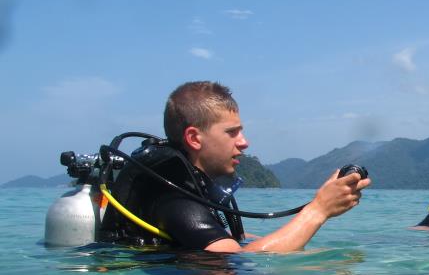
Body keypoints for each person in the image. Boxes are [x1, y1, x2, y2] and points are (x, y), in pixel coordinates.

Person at [100, 81, 370, 252]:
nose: (244, 143)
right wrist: (317, 211)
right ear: (194, 138)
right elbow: (237, 264)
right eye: (232, 133)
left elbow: (228, 239)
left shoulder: (190, 179)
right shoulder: (173, 188)